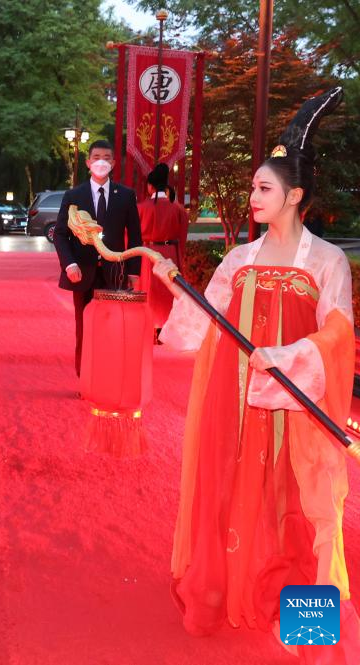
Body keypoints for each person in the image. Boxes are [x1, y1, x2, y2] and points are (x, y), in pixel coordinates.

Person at [153, 87, 360, 662]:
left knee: (301, 505)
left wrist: (289, 355)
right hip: (235, 402)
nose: (253, 198)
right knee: (232, 495)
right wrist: (176, 284)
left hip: (297, 405)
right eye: (252, 188)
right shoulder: (239, 259)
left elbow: (338, 332)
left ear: (295, 196)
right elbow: (204, 323)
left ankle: (306, 624)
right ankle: (219, 593)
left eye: (263, 189)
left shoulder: (327, 261)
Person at [53, 139, 142, 377]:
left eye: (106, 158)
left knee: (112, 327)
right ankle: (85, 377)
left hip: (115, 272)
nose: (101, 162)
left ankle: (107, 376)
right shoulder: (74, 195)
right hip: (82, 272)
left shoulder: (126, 195)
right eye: (96, 157)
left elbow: (135, 236)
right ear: (88, 162)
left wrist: (134, 272)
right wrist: (70, 264)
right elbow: (60, 234)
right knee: (84, 327)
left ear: (113, 163)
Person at [137, 164, 189, 337]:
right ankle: (166, 328)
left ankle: (148, 327)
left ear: (150, 186)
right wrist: (179, 255)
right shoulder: (178, 208)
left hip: (148, 253)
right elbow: (182, 236)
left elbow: (131, 236)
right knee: (168, 290)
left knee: (149, 290)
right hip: (170, 253)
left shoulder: (141, 207)